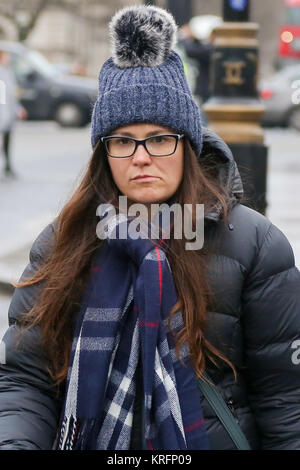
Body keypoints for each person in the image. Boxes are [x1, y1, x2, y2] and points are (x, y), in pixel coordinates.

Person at [0, 5, 299, 451]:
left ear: (187, 146)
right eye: (123, 140)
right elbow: (25, 378)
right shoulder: (64, 240)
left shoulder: (255, 245)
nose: (141, 157)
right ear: (104, 152)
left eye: (159, 138)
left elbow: (286, 401)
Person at [0, 50, 27, 178]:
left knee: (6, 141)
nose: (8, 59)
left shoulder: (8, 72)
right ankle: (7, 167)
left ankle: (8, 166)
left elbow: (12, 94)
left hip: (8, 114)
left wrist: (18, 109)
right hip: (3, 113)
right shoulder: (2, 73)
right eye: (6, 57)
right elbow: (3, 96)